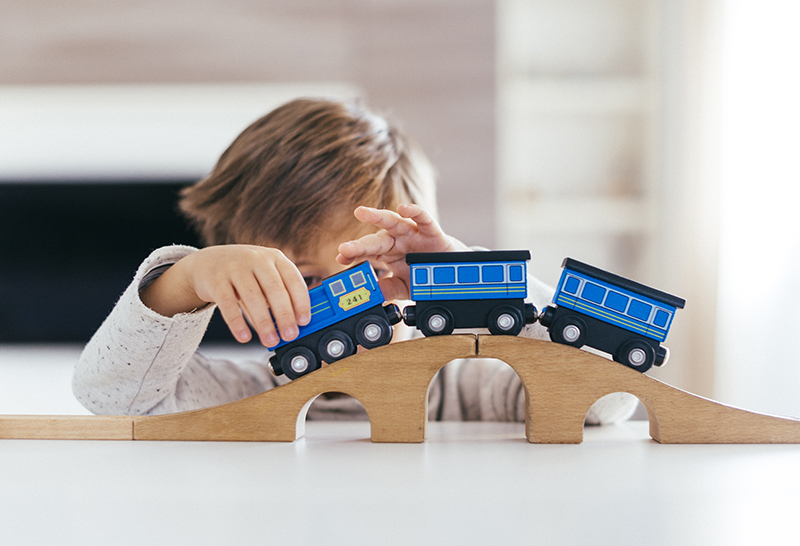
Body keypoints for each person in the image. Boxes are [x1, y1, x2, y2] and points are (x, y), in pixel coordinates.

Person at [72, 97, 637, 424]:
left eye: (378, 275)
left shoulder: (476, 389)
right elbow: (111, 397)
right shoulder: (250, 399)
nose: (345, 307)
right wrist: (185, 280)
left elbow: (607, 400)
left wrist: (470, 276)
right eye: (304, 280)